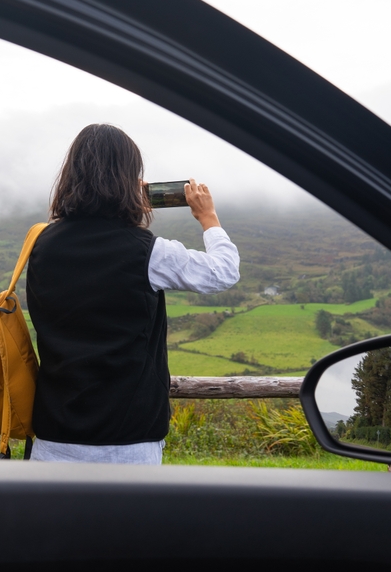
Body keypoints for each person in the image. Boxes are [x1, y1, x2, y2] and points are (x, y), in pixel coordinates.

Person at [26, 123, 240, 464]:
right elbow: (223, 271)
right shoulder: (148, 252)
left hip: (54, 438)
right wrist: (208, 217)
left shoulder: (40, 244)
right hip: (127, 443)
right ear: (128, 179)